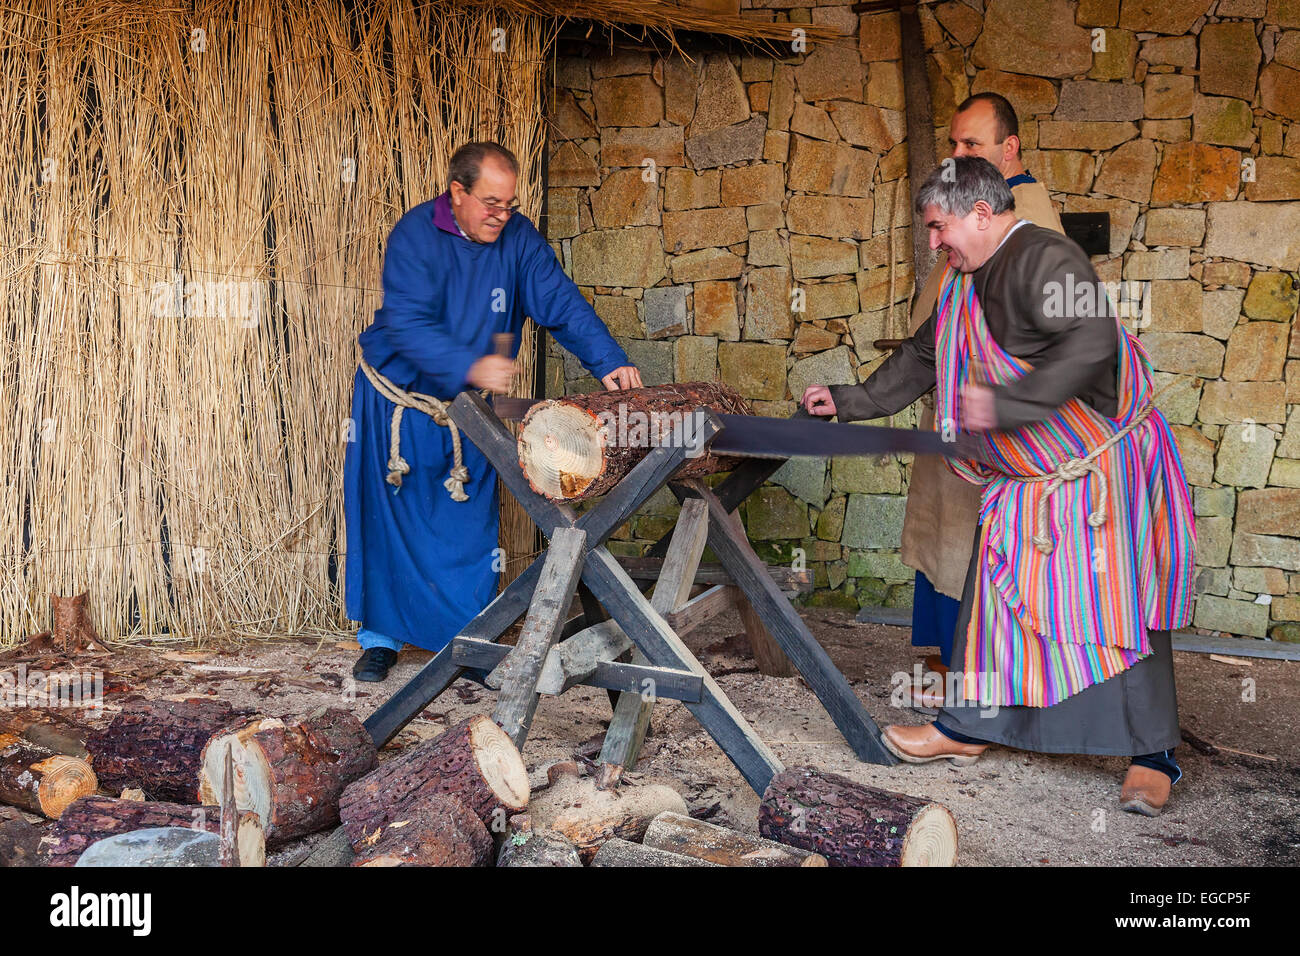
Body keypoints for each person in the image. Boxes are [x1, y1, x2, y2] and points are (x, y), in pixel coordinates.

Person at [801, 156, 1196, 815]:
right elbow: (925, 355)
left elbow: (1094, 341)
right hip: (1027, 479)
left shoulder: (1048, 258)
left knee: (1120, 609)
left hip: (1098, 471)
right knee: (999, 601)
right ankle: (969, 728)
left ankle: (1153, 756)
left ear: (982, 215)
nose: (933, 242)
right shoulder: (965, 279)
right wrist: (849, 399)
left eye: (939, 227)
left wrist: (1007, 405)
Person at [344, 142, 641, 682]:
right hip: (396, 403)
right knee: (389, 514)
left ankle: (468, 642)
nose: (501, 216)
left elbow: (562, 303)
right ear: (456, 193)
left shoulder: (517, 238)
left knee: (468, 523)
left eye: (510, 205)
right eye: (490, 204)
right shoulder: (415, 235)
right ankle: (381, 640)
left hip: (468, 413)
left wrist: (610, 362)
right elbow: (407, 324)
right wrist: (472, 365)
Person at [886, 92, 1066, 706]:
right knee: (944, 534)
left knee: (975, 541)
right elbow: (934, 343)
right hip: (955, 407)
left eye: (972, 145)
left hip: (997, 425)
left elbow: (1067, 346)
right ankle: (949, 665)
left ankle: (983, 676)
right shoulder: (967, 210)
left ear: (1008, 151)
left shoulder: (1028, 224)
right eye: (954, 143)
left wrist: (998, 406)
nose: (955, 154)